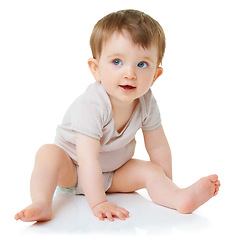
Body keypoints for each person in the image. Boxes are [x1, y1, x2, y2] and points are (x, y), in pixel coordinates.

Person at [14, 9, 220, 222]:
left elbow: (158, 146)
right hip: (72, 171)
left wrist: (166, 183)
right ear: (96, 69)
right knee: (48, 153)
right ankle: (41, 202)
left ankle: (178, 198)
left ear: (155, 75)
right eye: (117, 62)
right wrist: (99, 202)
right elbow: (87, 158)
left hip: (114, 174)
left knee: (151, 171)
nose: (129, 73)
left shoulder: (147, 102)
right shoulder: (91, 105)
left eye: (142, 64)